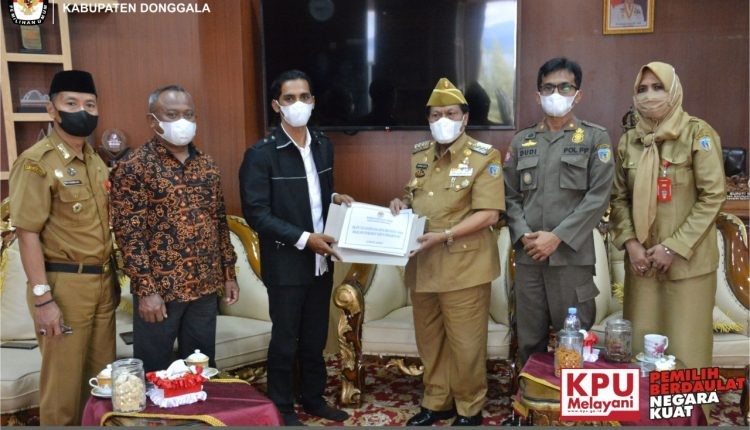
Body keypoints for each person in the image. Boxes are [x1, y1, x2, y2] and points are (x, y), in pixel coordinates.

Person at [239, 70, 354, 426]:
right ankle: (282, 407)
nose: (298, 104)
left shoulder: (322, 144)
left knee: (315, 337)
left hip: (322, 261)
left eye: (304, 97)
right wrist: (306, 239)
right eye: (290, 99)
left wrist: (336, 198)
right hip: (287, 261)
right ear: (277, 106)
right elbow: (257, 213)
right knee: (286, 339)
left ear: (313, 101)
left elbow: (317, 195)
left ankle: (313, 398)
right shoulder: (261, 154)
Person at [388, 77, 504, 426]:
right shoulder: (420, 154)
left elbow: (490, 214)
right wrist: (400, 203)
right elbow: (416, 197)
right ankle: (437, 401)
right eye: (436, 114)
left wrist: (446, 235)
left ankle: (469, 406)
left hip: (464, 266)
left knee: (466, 345)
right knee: (430, 340)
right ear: (428, 119)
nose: (443, 120)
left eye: (451, 113)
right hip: (424, 264)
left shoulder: (485, 156)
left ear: (465, 118)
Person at [9, 70, 115, 425]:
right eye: (71, 103)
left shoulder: (95, 160)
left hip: (102, 283)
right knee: (64, 392)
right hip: (63, 287)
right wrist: (43, 300)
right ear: (51, 110)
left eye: (90, 105)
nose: (82, 111)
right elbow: (27, 234)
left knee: (102, 385)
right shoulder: (36, 163)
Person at [110, 85, 239, 372]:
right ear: (152, 120)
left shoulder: (207, 165)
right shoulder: (134, 167)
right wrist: (146, 291)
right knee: (155, 373)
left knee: (202, 370)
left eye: (188, 114)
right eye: (172, 114)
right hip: (160, 292)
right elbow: (129, 235)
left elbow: (219, 222)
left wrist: (229, 274)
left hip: (205, 288)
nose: (182, 121)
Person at [610, 61, 725, 371]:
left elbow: (713, 196)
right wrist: (631, 244)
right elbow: (618, 198)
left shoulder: (697, 133)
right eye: (642, 89)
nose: (649, 96)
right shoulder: (629, 141)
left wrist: (673, 246)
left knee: (687, 355)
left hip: (687, 266)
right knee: (641, 356)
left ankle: (687, 406)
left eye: (658, 87)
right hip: (643, 266)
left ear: (673, 91)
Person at [503, 57, 614, 366]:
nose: (556, 93)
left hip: (571, 261)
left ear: (578, 95)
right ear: (538, 94)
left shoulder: (595, 138)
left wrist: (557, 237)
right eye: (548, 87)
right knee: (528, 341)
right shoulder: (522, 140)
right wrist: (524, 235)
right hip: (529, 259)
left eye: (565, 87)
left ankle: (571, 398)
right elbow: (510, 196)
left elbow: (598, 198)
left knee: (575, 343)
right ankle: (529, 396)